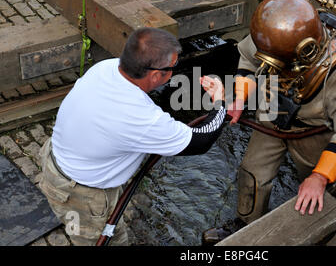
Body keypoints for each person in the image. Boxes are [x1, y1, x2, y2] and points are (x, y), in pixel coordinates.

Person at [203, 0, 336, 243]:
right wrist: (240, 96)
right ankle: (245, 223)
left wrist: (320, 177)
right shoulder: (274, 32)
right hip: (273, 112)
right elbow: (251, 59)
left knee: (316, 182)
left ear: (305, 51)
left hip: (314, 127)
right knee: (251, 172)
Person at [38, 27, 226, 246]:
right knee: (107, 241)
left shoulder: (105, 68)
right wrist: (219, 102)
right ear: (156, 75)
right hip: (81, 194)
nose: (175, 70)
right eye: (173, 67)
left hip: (57, 158)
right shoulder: (140, 117)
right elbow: (200, 141)